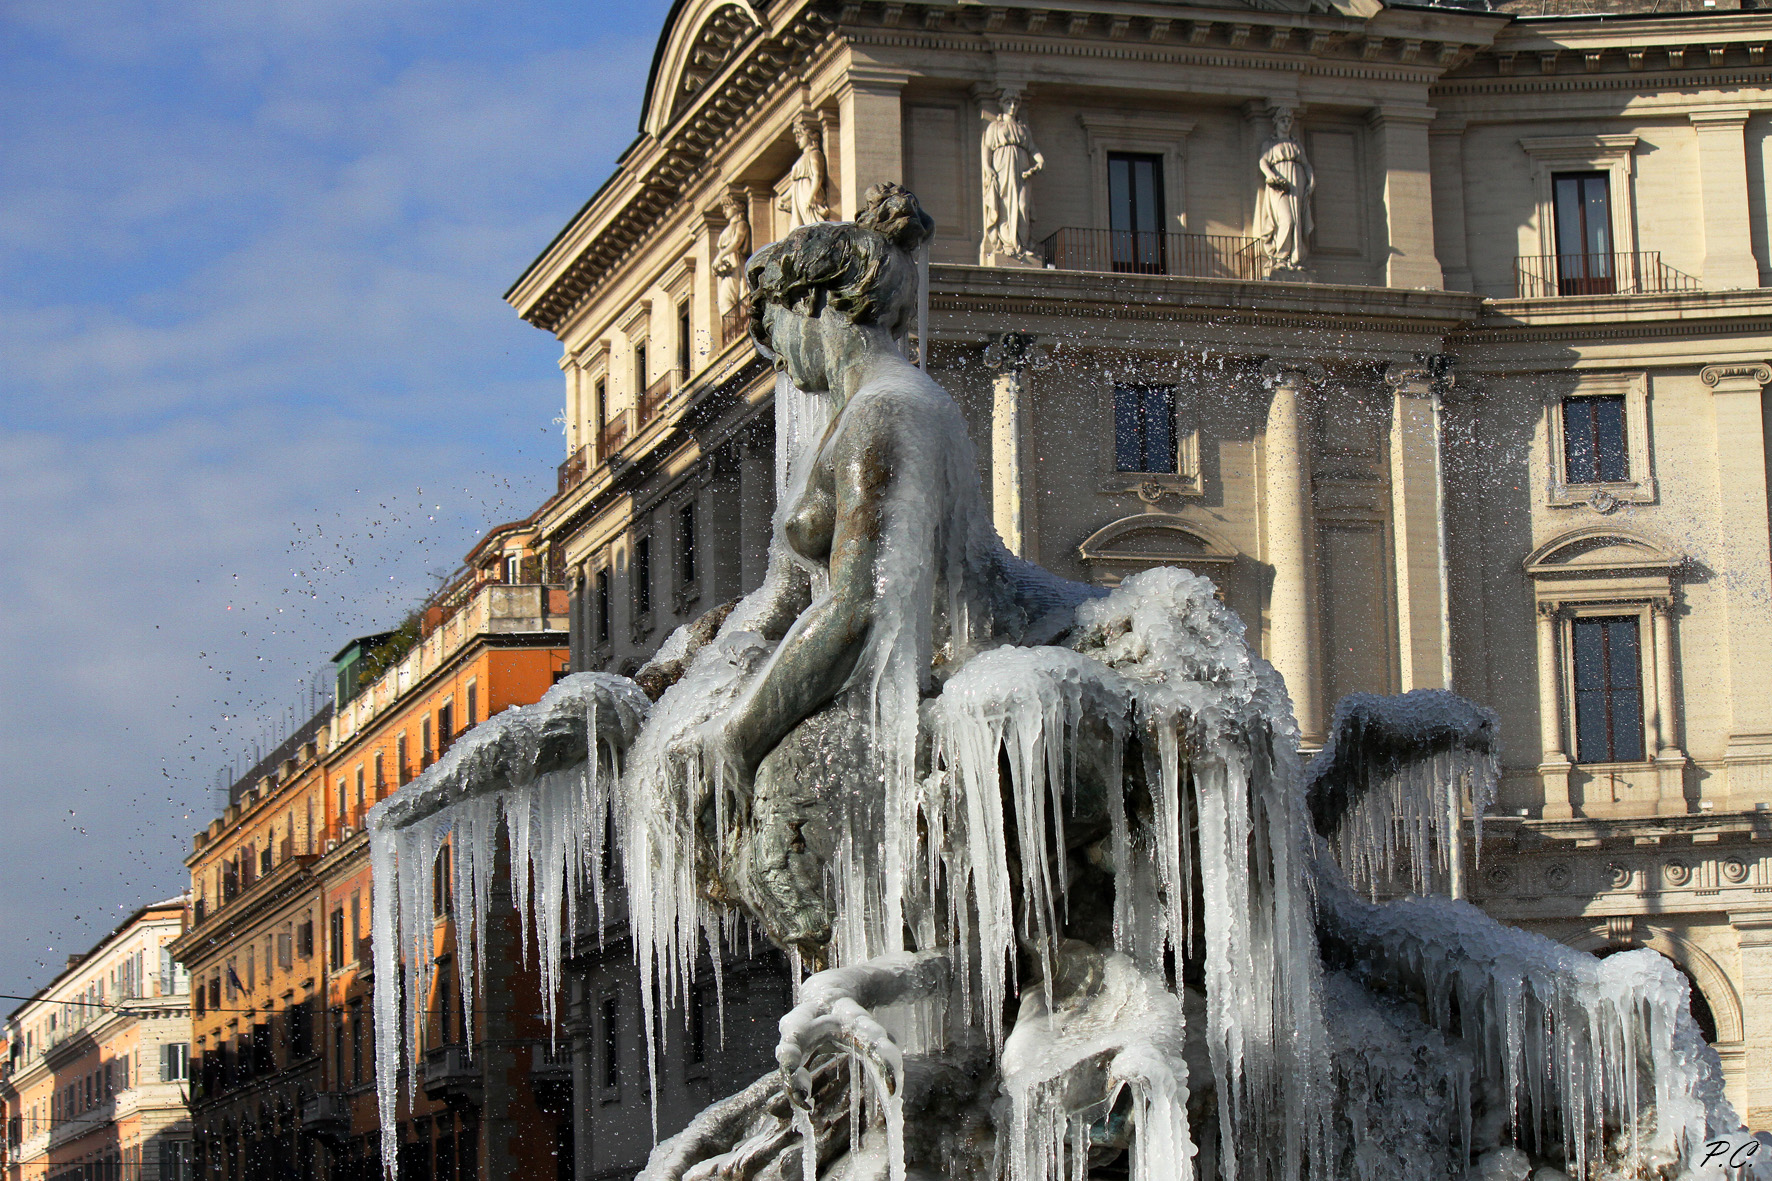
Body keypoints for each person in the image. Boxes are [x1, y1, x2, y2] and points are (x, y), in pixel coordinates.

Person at [980, 93, 1045, 264]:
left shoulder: (1023, 128)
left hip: (1022, 169)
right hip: (1002, 166)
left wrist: (1039, 161)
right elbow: (987, 147)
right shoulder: (995, 126)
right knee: (1005, 203)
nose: (1012, 106)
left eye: (1016, 102)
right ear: (1002, 104)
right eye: (1008, 102)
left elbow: (1033, 148)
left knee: (1023, 205)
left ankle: (1022, 246)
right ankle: (1007, 243)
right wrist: (987, 167)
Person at [1255, 108, 1314, 271]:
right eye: (1283, 120)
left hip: (1298, 183)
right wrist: (1269, 175)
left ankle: (1294, 259)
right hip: (1278, 186)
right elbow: (1263, 162)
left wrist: (1312, 180)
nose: (1287, 124)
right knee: (1286, 220)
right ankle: (1279, 257)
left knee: (1296, 221)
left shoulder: (1297, 145)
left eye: (1289, 121)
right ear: (1276, 123)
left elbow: (1306, 165)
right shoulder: (1270, 144)